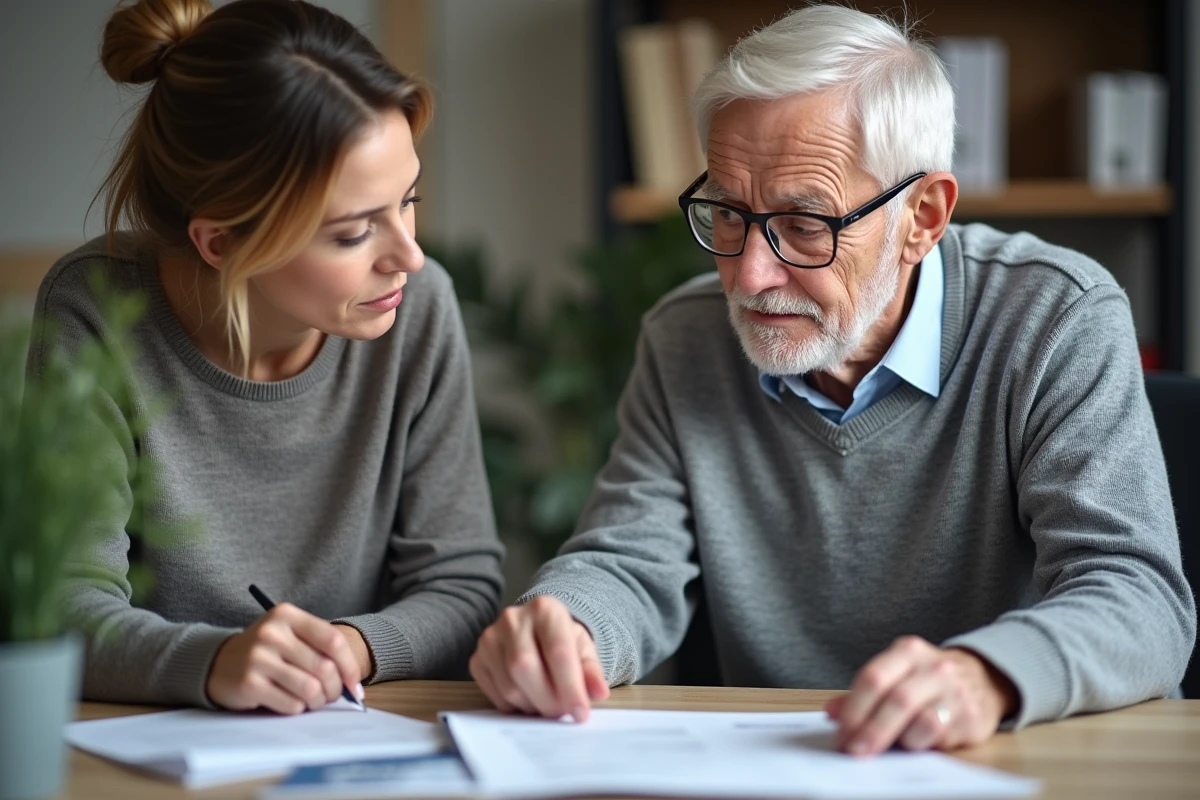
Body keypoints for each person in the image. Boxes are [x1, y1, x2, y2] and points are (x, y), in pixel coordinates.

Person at [469, 4, 1195, 755]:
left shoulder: (1055, 317)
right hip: (783, 765)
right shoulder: (684, 338)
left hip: (1032, 760)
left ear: (922, 215)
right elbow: (627, 559)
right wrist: (565, 628)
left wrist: (985, 676)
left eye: (806, 224)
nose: (750, 275)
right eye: (727, 212)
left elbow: (1138, 598)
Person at [27, 0, 504, 714]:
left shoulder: (418, 307)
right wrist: (214, 661)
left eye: (408, 201)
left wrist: (353, 647)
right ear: (219, 243)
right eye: (351, 234)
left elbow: (464, 586)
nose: (409, 255)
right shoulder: (95, 312)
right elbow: (59, 602)